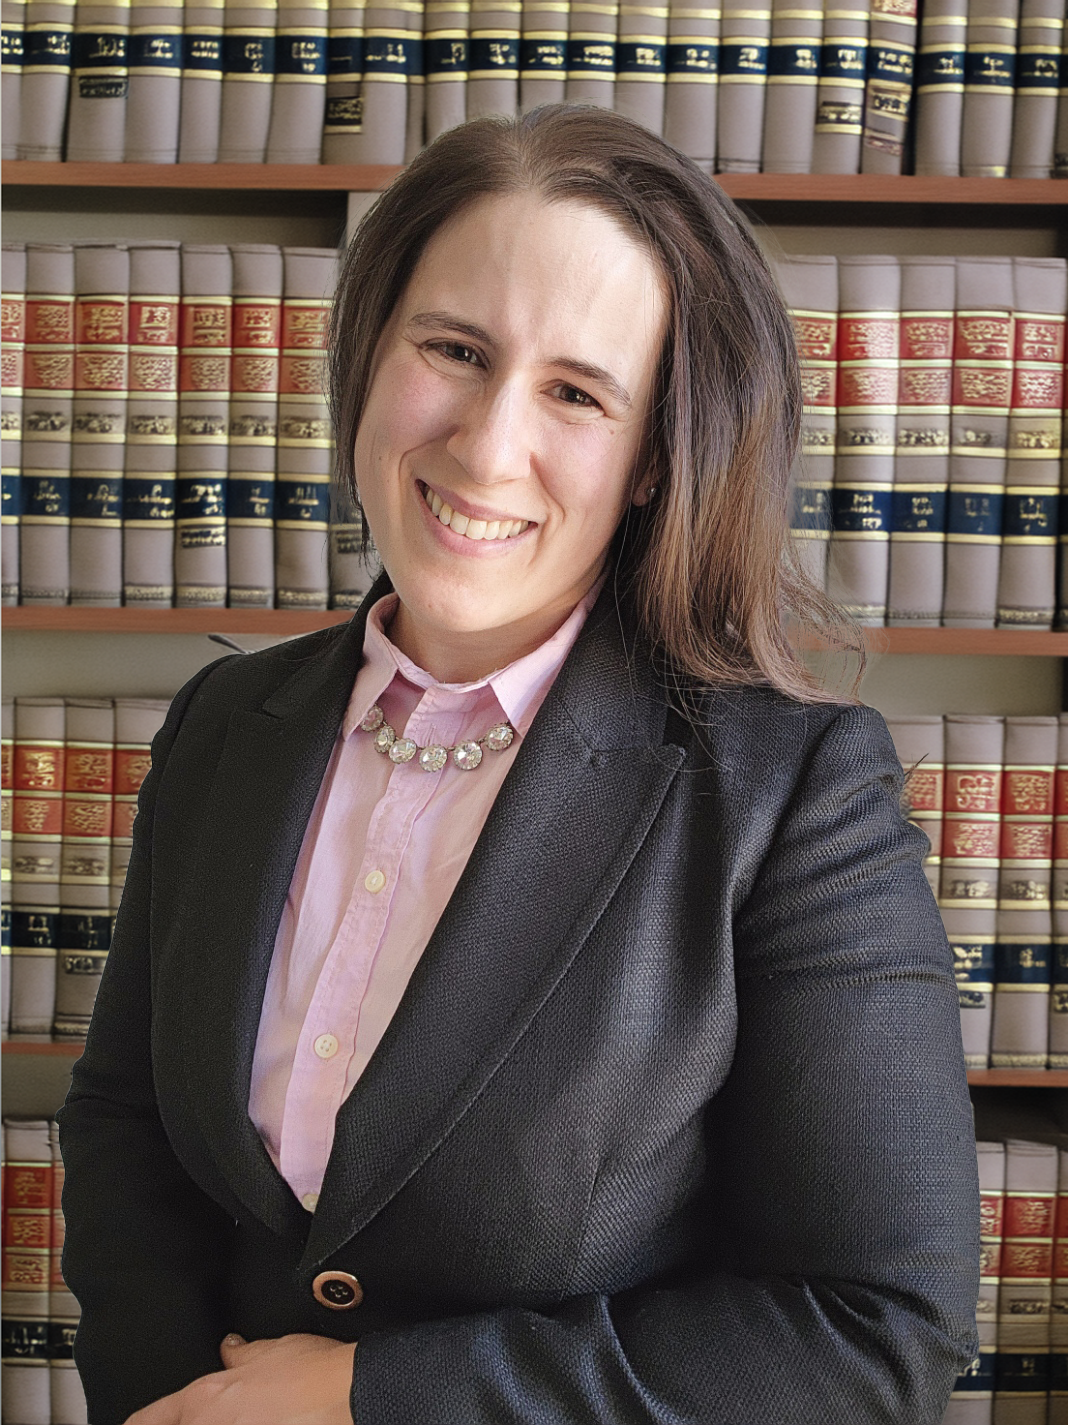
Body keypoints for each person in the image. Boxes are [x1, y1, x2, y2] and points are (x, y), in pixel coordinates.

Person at [56, 104, 980, 1425]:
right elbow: (126, 1126)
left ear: (657, 455)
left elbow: (875, 1330)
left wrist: (365, 1398)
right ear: (373, 352)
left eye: (576, 393)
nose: (487, 445)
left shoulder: (793, 794)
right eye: (454, 349)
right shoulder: (223, 726)